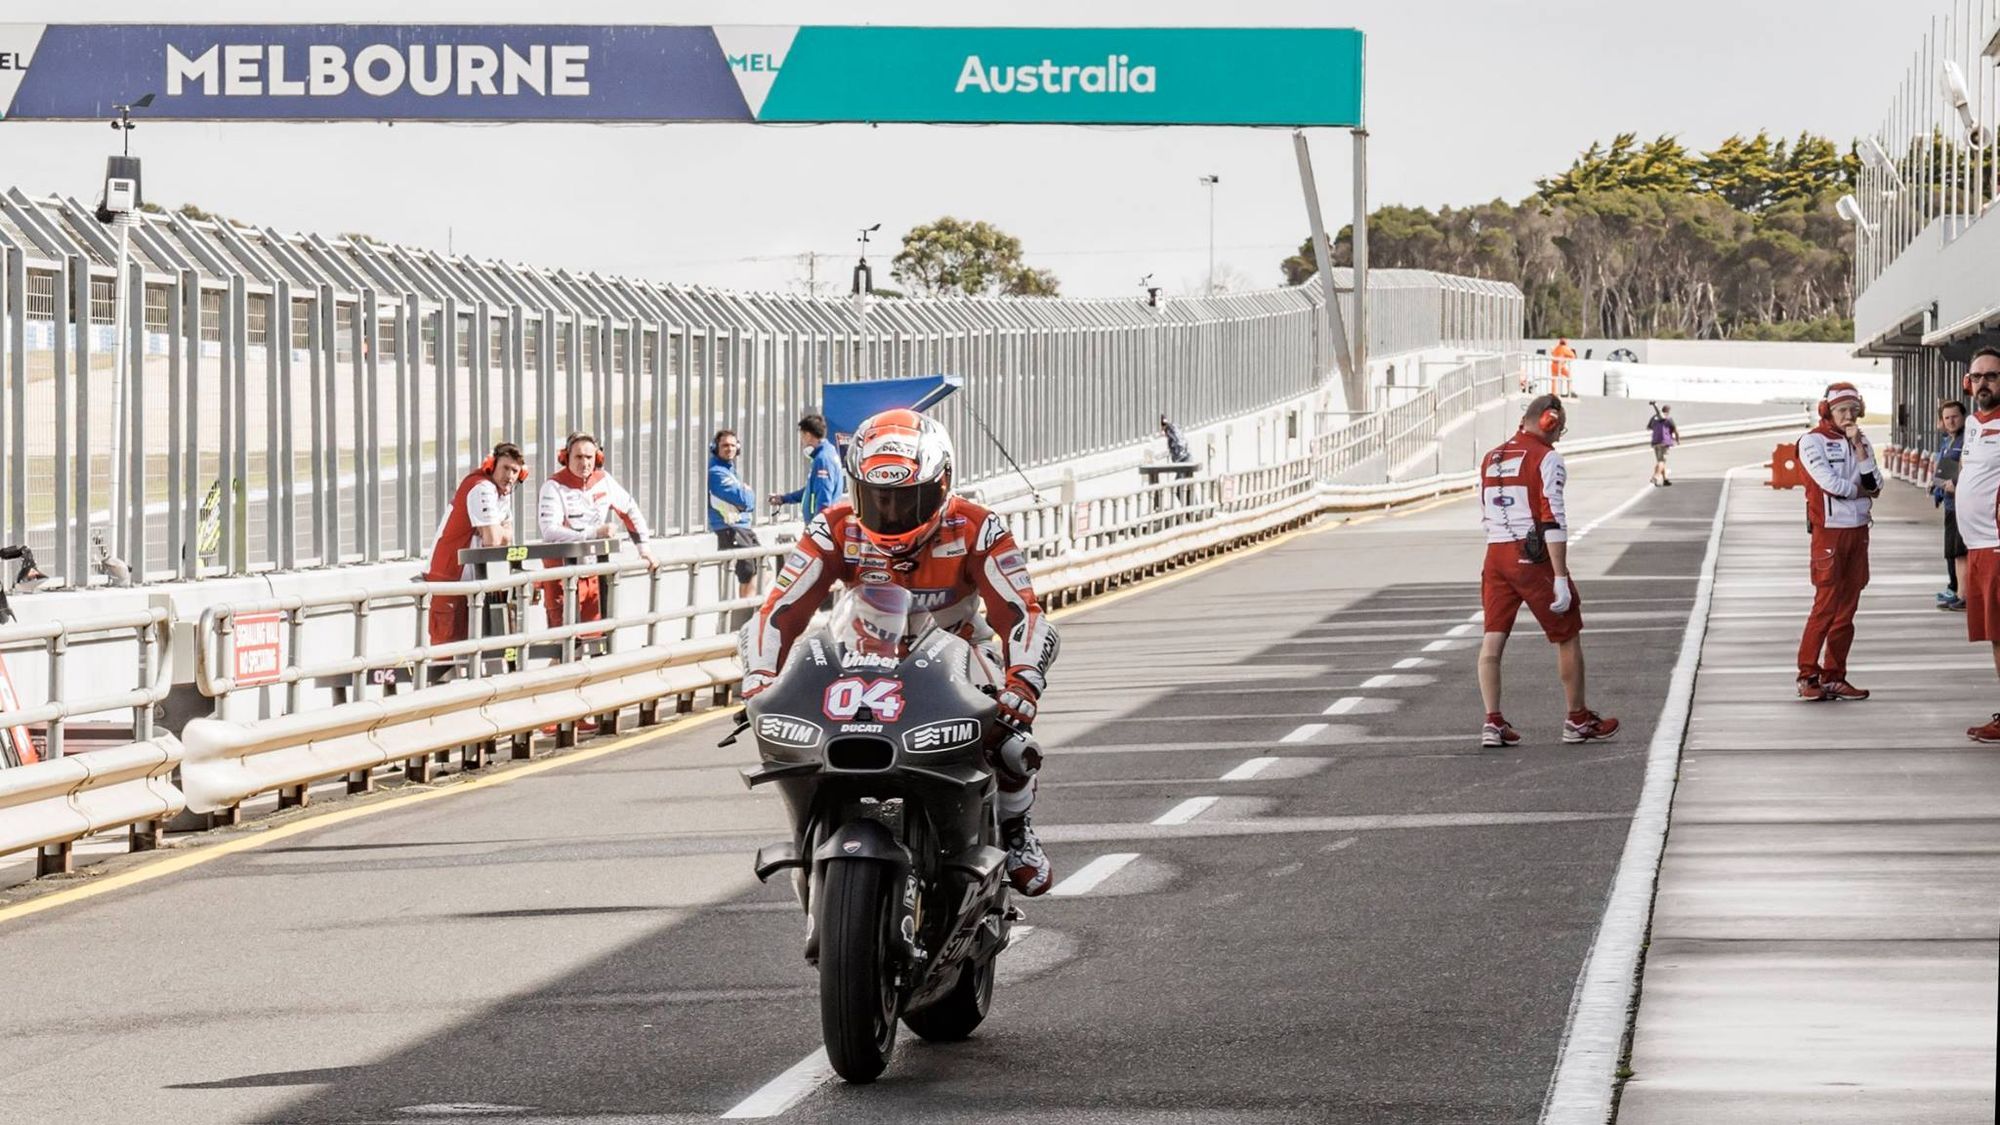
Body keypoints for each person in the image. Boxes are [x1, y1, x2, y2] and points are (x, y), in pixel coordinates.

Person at [741, 409, 1062, 894]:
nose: (890, 512)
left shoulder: (979, 527)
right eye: (876, 498)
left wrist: (1022, 685)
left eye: (907, 498)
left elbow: (1022, 612)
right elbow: (778, 611)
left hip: (958, 657)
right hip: (861, 660)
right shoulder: (833, 527)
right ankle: (811, 837)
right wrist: (760, 679)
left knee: (1012, 744)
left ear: (942, 484)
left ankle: (1015, 829)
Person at [1475, 395, 1619, 747]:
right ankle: (1577, 718)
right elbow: (1552, 517)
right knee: (1567, 633)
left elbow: (1484, 509)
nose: (1559, 435)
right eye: (1560, 428)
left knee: (1493, 636)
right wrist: (1560, 577)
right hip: (1532, 554)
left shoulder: (1491, 456)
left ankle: (1492, 721)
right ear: (1548, 421)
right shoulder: (1547, 457)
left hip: (1494, 555)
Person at [1794, 383, 1879, 702]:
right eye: (1842, 410)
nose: (1849, 416)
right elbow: (1829, 484)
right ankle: (1807, 675)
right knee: (1825, 607)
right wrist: (1859, 491)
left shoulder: (1862, 441)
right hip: (1829, 532)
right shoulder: (1811, 441)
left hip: (1858, 531)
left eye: (1854, 410)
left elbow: (1876, 483)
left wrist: (1858, 448)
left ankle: (1834, 676)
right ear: (1826, 411)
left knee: (1847, 611)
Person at [537, 431, 656, 631]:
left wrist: (644, 549)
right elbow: (550, 531)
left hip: (593, 571)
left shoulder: (604, 480)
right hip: (560, 574)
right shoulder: (553, 486)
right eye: (578, 457)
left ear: (597, 458)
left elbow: (630, 511)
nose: (584, 463)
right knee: (565, 640)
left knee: (596, 636)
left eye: (589, 457)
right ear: (566, 457)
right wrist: (594, 533)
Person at [423, 442, 526, 647]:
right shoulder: (481, 487)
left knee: (477, 650)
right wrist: (499, 531)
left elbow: (507, 536)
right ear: (491, 465)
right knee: (447, 653)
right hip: (450, 580)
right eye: (505, 468)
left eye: (515, 471)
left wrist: (499, 532)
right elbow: (492, 540)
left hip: (472, 583)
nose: (510, 476)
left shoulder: (502, 494)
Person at [1950, 348, 2000, 741]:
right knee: (1996, 637)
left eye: (1992, 376)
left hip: (1997, 544)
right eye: (1977, 376)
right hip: (1978, 546)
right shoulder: (1971, 423)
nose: (1983, 383)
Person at [708, 428, 762, 616]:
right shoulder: (716, 473)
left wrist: (746, 493)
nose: (729, 449)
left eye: (732, 445)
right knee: (747, 576)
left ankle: (746, 616)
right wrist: (746, 491)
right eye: (725, 445)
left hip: (742, 528)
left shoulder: (729, 471)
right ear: (715, 448)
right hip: (730, 528)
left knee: (763, 571)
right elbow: (746, 501)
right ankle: (743, 620)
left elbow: (748, 502)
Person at [768, 413, 844, 521]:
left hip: (821, 526)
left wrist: (817, 526)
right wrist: (784, 499)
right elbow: (811, 490)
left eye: (802, 436)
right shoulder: (827, 453)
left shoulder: (823, 460)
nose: (801, 441)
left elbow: (824, 497)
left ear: (808, 435)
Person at [1931, 399, 1968, 611]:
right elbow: (1944, 470)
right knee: (1952, 551)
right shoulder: (1949, 442)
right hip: (1949, 503)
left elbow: (1967, 470)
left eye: (1955, 417)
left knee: (1959, 551)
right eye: (1946, 418)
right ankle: (1956, 589)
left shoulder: (1966, 442)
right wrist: (1936, 489)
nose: (1951, 421)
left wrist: (1955, 484)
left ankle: (1963, 594)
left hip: (1961, 504)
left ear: (1963, 417)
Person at [1647, 402, 1680, 487]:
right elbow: (1676, 431)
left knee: (1660, 461)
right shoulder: (1669, 419)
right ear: (1668, 411)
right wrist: (1677, 440)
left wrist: (1657, 427)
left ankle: (1665, 480)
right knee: (1662, 461)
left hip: (1655, 442)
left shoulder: (1653, 418)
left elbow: (1648, 427)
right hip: (1664, 442)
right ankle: (1655, 477)